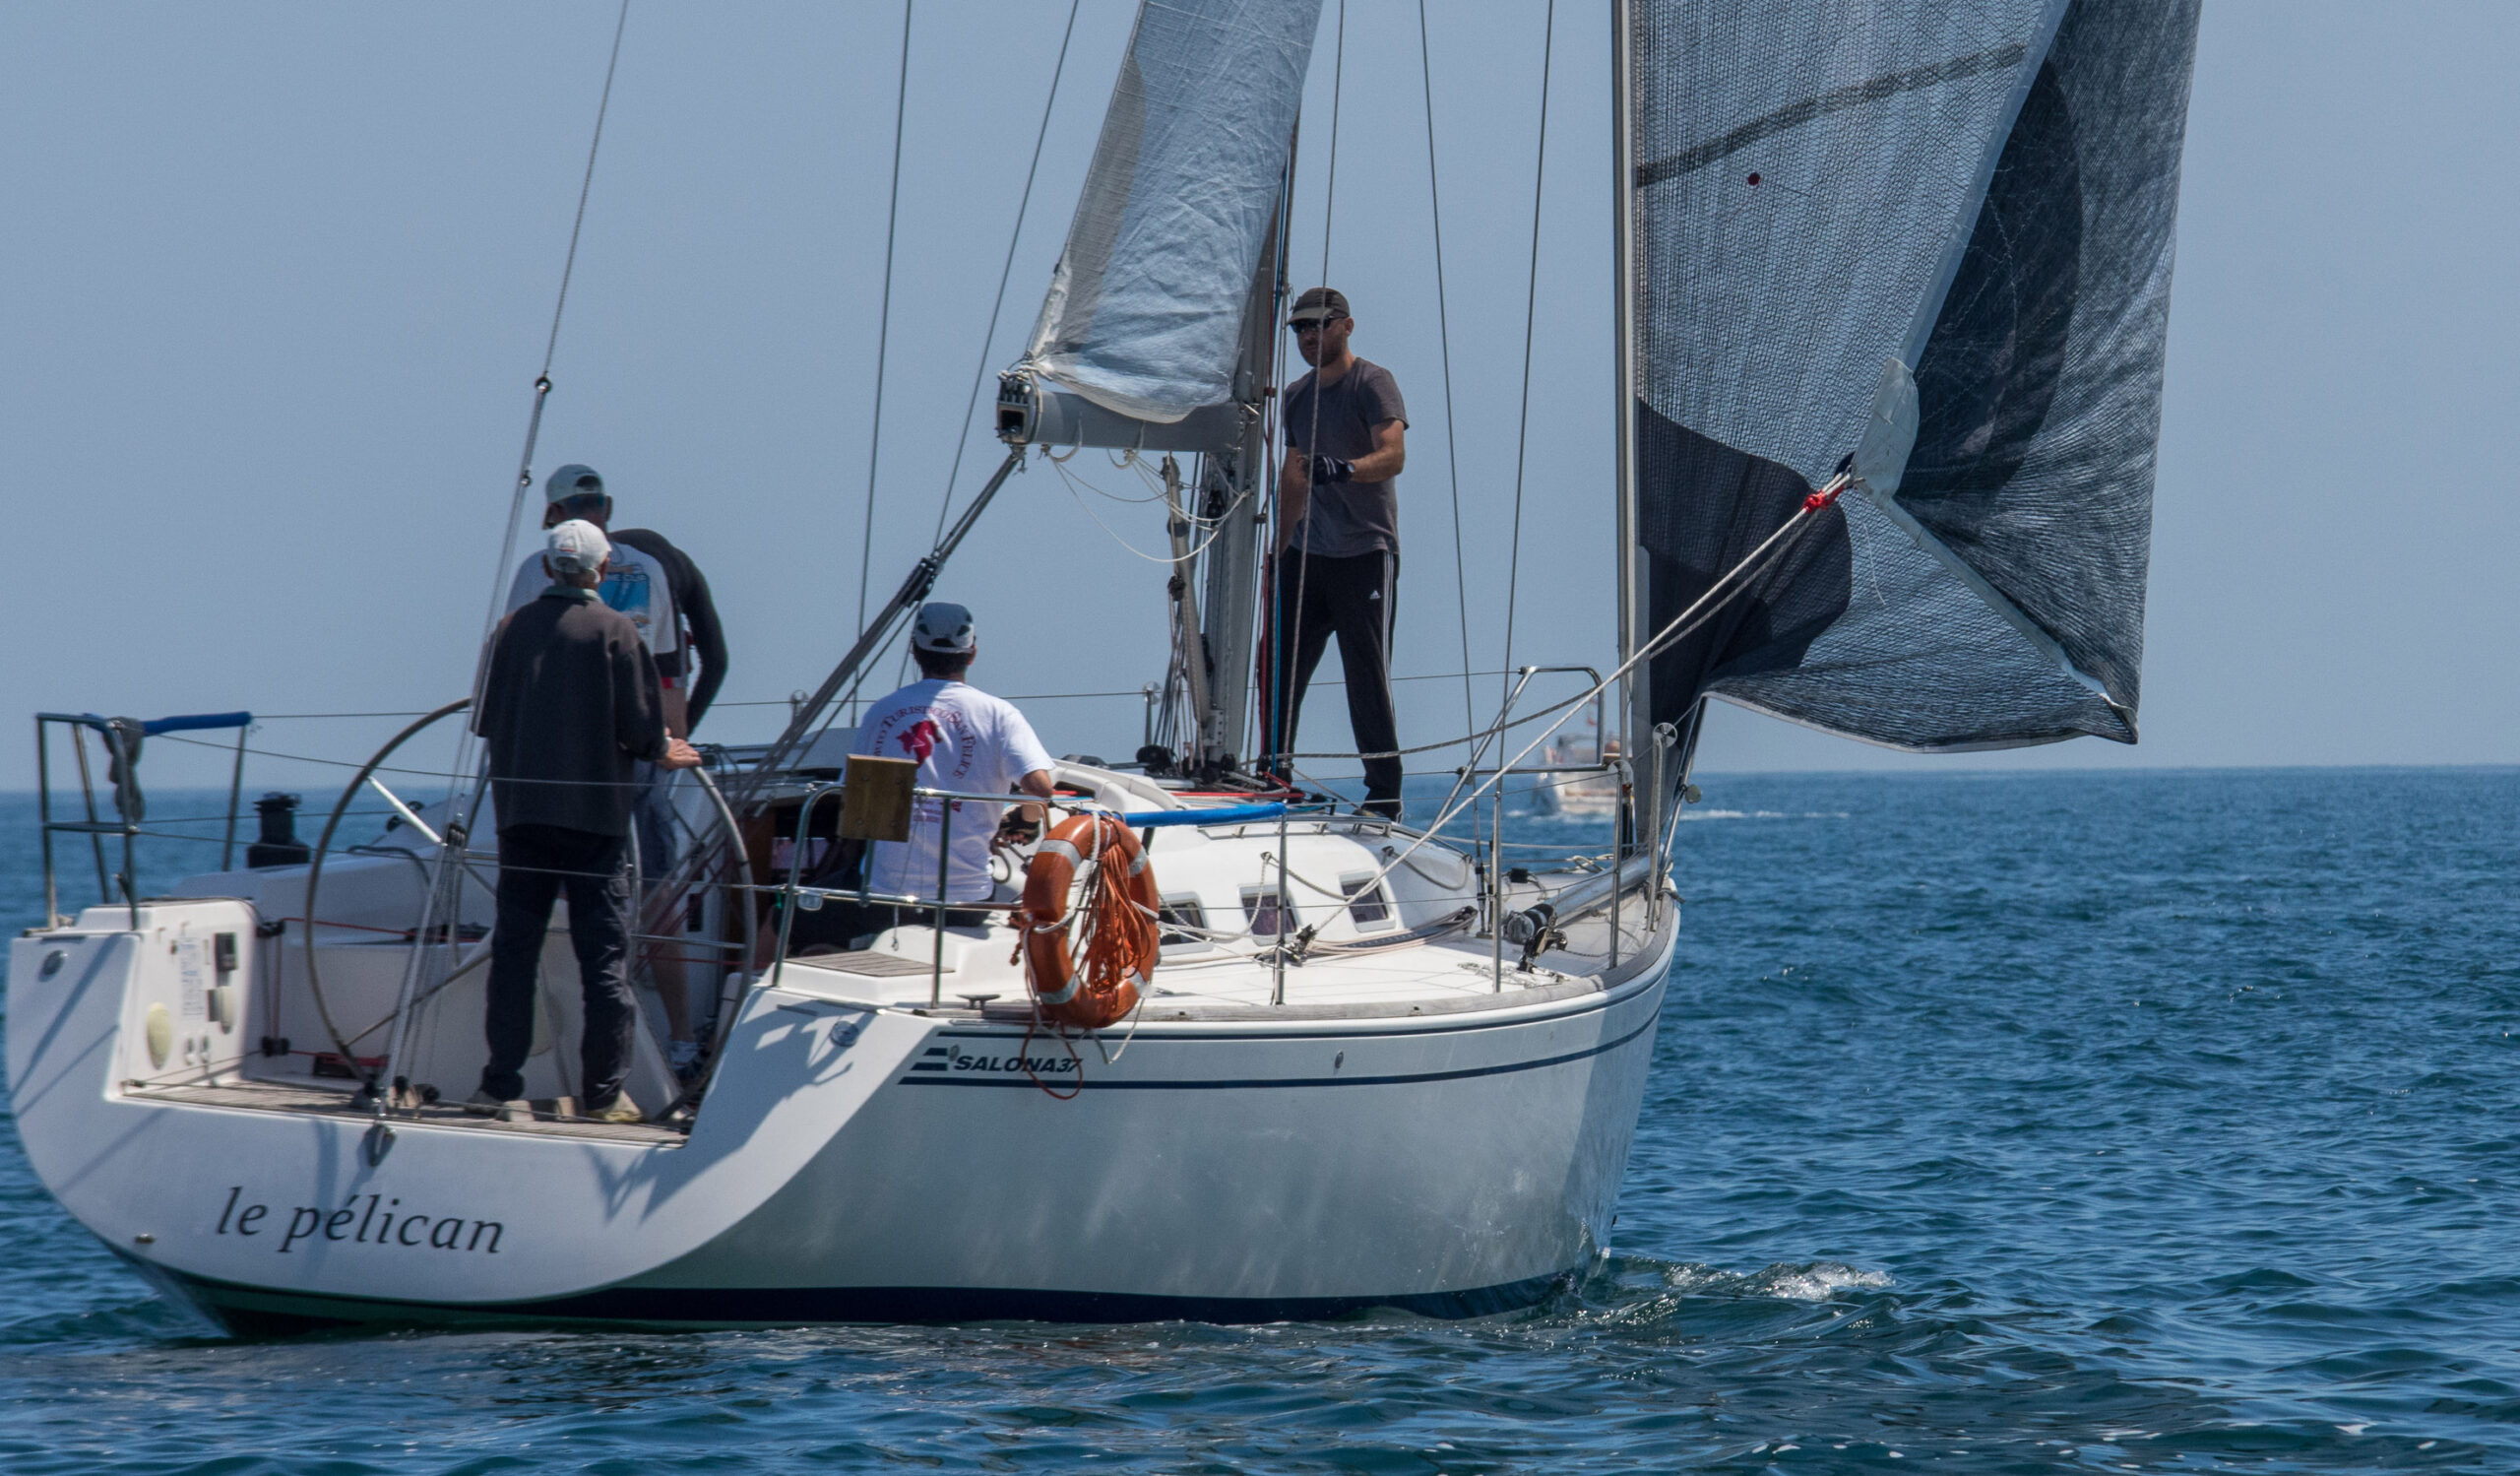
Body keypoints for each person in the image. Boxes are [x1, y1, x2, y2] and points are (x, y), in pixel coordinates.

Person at [471, 519, 702, 1123]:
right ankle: (603, 1096)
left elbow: (487, 720)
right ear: (601, 571)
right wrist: (666, 749)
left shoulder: (509, 631)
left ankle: (497, 1085)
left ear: (549, 569)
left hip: (522, 818)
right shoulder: (617, 631)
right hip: (594, 825)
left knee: (514, 955)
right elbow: (643, 732)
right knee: (602, 963)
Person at [504, 464, 728, 1076]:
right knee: (651, 895)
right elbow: (683, 672)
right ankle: (676, 1043)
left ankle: (524, 1066)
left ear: (554, 517)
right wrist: (671, 746)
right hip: (635, 762)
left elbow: (507, 666)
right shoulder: (657, 569)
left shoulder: (532, 572)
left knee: (538, 915)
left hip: (551, 768)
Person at [782, 603, 1056, 956]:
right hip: (966, 903)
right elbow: (1040, 789)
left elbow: (855, 801)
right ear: (972, 654)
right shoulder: (999, 715)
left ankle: (762, 978)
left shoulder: (881, 712)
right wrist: (1027, 822)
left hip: (883, 899)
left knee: (785, 914)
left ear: (914, 651)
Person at [1263, 287, 1410, 819]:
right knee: (1276, 672)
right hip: (1307, 555)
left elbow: (1393, 455)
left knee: (1365, 676)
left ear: (1346, 326)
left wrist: (1344, 469)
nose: (1308, 336)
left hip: (1365, 553)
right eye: (1300, 328)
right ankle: (1272, 778)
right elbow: (1293, 473)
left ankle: (1385, 795)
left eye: (1318, 325)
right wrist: (1279, 550)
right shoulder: (1296, 396)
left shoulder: (1373, 382)